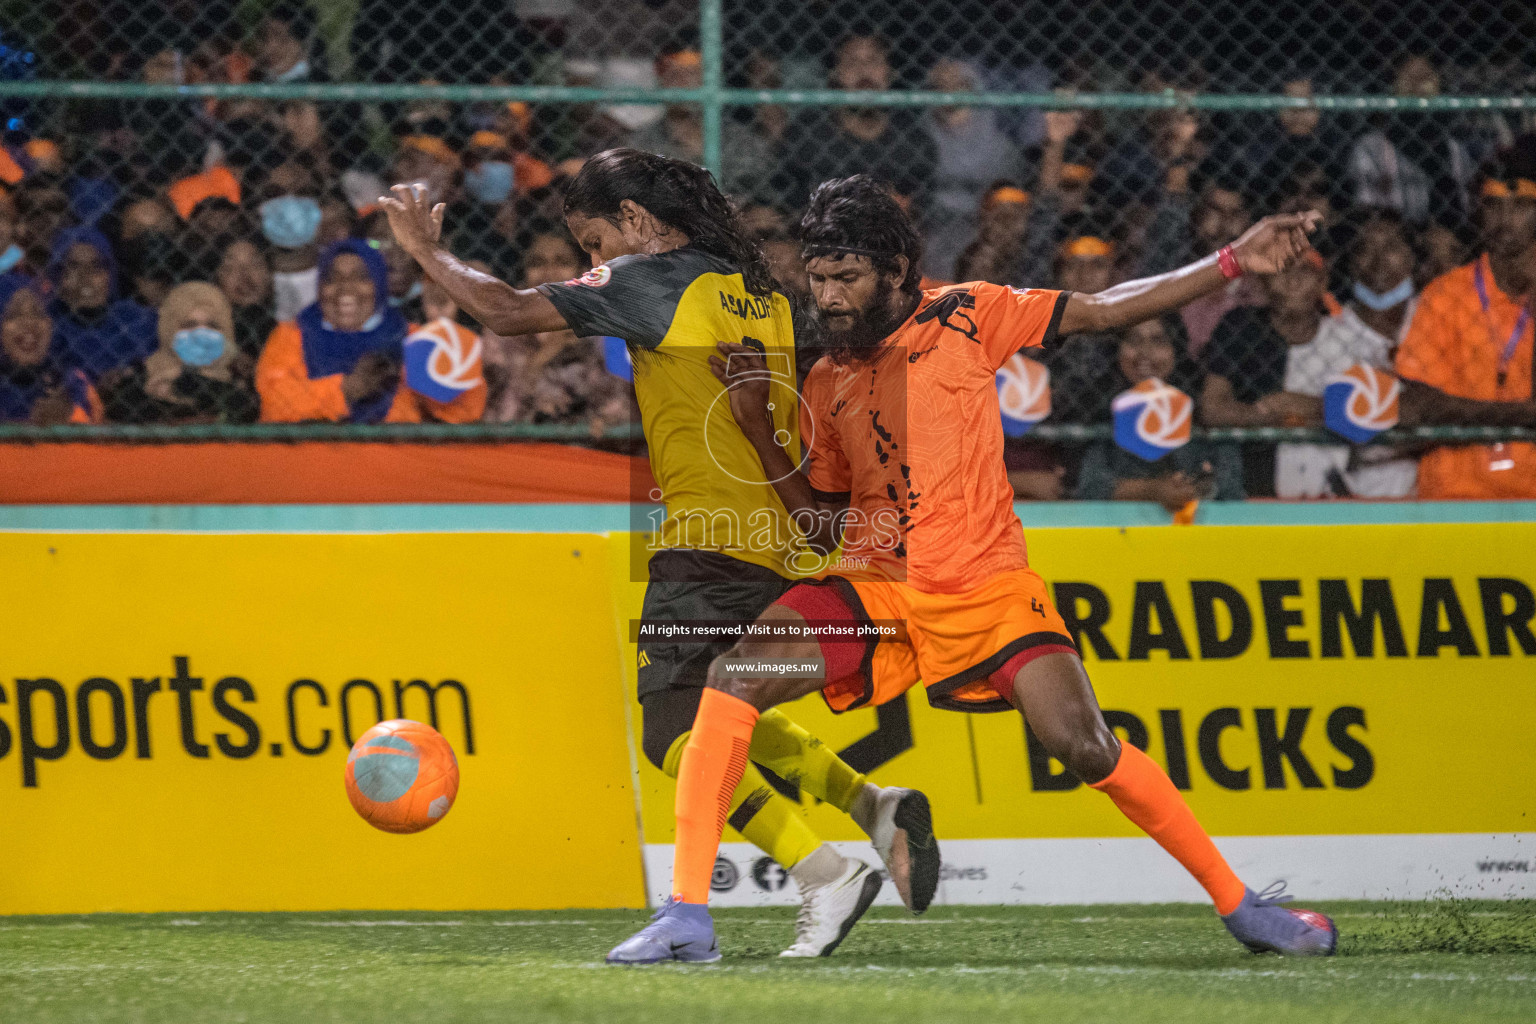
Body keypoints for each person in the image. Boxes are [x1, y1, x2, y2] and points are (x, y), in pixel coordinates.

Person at [613, 174, 1337, 964]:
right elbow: (820, 525)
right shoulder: (827, 378)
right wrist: (758, 427)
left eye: (846, 277)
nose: (828, 297)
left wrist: (1232, 260)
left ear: (895, 270)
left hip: (989, 592)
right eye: (818, 279)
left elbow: (1106, 309)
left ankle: (1242, 907)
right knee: (736, 675)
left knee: (1084, 744)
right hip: (878, 591)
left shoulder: (969, 312)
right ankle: (688, 914)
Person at [380, 149, 940, 958]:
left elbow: (502, 311)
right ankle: (868, 802)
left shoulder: (653, 281)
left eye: (597, 241)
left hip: (707, 545)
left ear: (638, 219)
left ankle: (820, 871)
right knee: (721, 710)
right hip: (777, 538)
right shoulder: (761, 291)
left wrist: (425, 251)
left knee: (672, 727)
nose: (595, 263)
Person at [1394, 137, 1536, 498]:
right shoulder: (1445, 294)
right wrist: (1522, 415)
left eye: (1520, 205)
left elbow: (1441, 407)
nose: (1505, 219)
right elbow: (1421, 407)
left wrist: (1467, 413)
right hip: (1454, 496)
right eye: (1494, 205)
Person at [255, 238, 482, 424]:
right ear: (319, 287)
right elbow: (274, 405)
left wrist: (439, 369)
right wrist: (346, 388)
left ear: (380, 285)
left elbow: (465, 411)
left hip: (394, 463)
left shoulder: (410, 336)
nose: (345, 288)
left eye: (362, 277)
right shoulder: (293, 333)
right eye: (332, 278)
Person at [1274, 213, 1419, 499]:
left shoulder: (1436, 319)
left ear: (1413, 257)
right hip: (1341, 495)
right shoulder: (1324, 335)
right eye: (1365, 249)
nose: (1378, 260)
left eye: (1391, 247)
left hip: (1423, 493)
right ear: (1350, 261)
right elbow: (1293, 411)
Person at [1075, 317, 1242, 510]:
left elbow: (1229, 487)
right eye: (1133, 340)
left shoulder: (1200, 410)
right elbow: (1089, 487)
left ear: (1176, 351)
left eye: (1158, 341)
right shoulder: (1098, 407)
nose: (1144, 353)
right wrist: (1153, 490)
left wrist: (1193, 488)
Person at [1200, 253, 1329, 497]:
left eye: (1305, 271)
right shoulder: (1240, 326)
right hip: (1251, 479)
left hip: (1328, 483)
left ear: (1323, 281)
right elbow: (1213, 408)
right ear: (1263, 281)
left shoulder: (1343, 331)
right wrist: (1274, 416)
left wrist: (1306, 407)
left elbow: (1363, 411)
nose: (1293, 281)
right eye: (1283, 269)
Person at [481, 231, 631, 430]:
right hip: (519, 453)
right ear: (522, 275)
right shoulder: (499, 333)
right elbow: (501, 419)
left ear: (584, 274)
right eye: (537, 263)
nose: (548, 273)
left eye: (562, 262)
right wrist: (542, 358)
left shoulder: (603, 332)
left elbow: (619, 415)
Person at [105, 282, 257, 424]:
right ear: (169, 329)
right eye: (189, 325)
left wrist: (185, 383)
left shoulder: (243, 381)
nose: (200, 335)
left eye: (212, 325)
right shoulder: (135, 381)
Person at [47, 225, 159, 385]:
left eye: (96, 267)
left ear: (110, 274)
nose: (85, 279)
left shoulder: (141, 320)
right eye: (73, 267)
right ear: (58, 276)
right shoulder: (48, 332)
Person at [0, 282, 101, 424]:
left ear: (50, 326)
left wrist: (69, 414)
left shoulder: (74, 381)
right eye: (15, 315)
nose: (29, 323)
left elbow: (101, 433)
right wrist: (37, 426)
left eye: (38, 314)